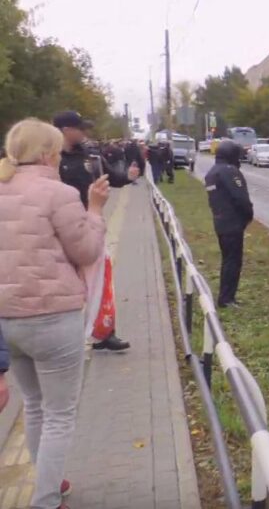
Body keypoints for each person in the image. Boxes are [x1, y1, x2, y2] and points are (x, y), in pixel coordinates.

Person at [0, 118, 109, 509]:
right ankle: (45, 499)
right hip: (53, 318)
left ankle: (50, 481)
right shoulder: (58, 193)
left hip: (7, 320)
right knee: (60, 414)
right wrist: (95, 210)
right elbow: (87, 252)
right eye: (58, 153)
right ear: (47, 154)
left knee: (33, 404)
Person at [54, 111, 135, 352]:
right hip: (57, 228)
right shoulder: (48, 157)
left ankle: (104, 333)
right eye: (80, 128)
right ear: (65, 129)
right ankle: (64, 337)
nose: (84, 133)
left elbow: (111, 177)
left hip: (89, 222)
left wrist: (127, 177)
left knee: (100, 276)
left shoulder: (91, 155)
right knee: (64, 283)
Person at [205, 141, 254, 308]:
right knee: (233, 261)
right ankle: (227, 299)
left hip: (220, 221)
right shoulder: (229, 172)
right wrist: (248, 215)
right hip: (233, 223)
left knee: (228, 260)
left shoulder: (212, 172)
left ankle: (225, 296)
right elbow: (241, 198)